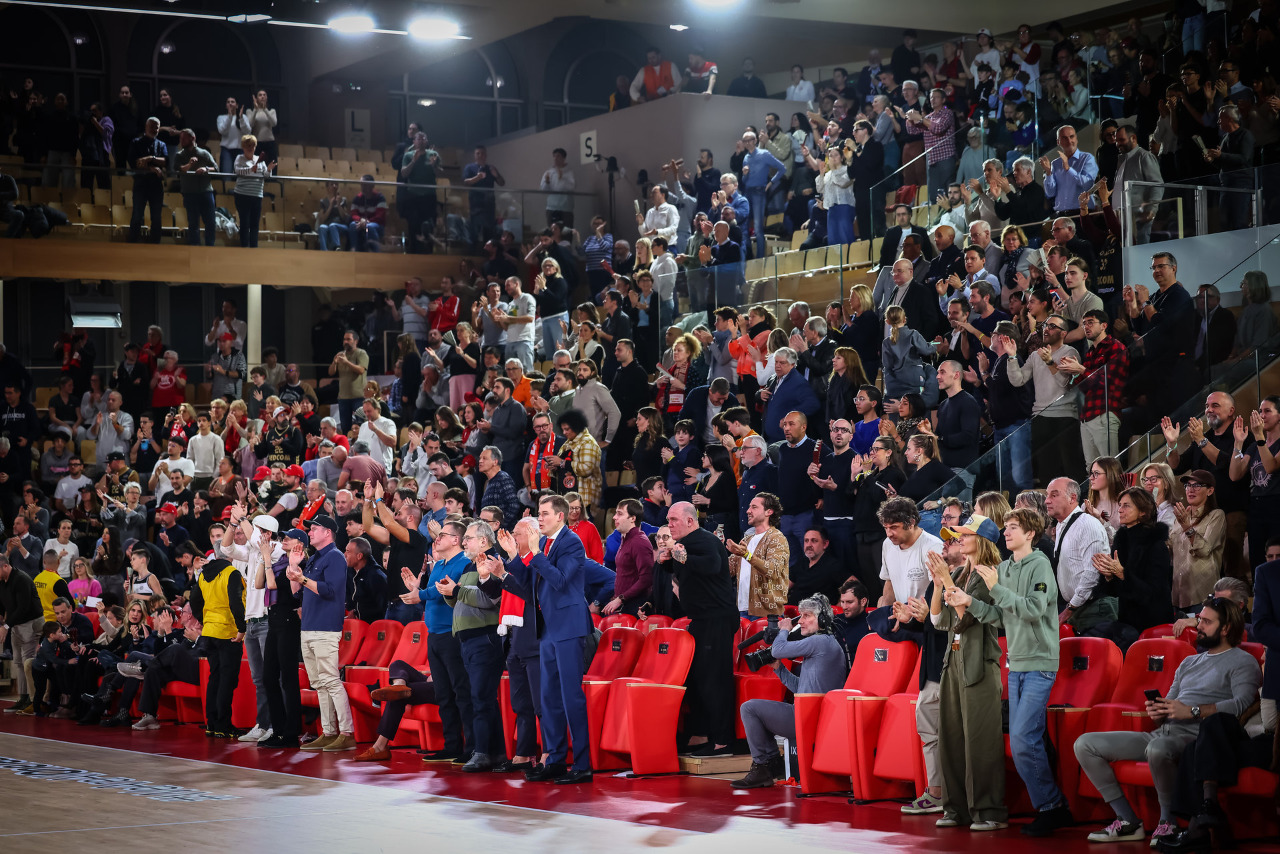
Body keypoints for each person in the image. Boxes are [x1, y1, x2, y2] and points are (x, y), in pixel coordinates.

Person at [1074, 596, 1260, 845]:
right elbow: (1171, 701)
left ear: (1226, 628)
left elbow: (1240, 705)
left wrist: (1192, 711)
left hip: (1198, 738)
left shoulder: (1243, 661)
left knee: (1158, 748)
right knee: (1085, 744)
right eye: (1200, 620)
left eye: (1207, 622)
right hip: (1163, 732)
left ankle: (1167, 823)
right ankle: (1127, 820)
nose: (1199, 626)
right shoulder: (1189, 661)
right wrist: (1159, 711)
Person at [958, 508, 1074, 836]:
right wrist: (969, 601)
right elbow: (1001, 617)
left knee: (1023, 738)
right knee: (1025, 738)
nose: (1006, 533)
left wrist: (995, 588)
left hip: (1040, 663)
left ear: (1030, 533)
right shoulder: (1005, 568)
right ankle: (1052, 806)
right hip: (1016, 664)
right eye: (1006, 527)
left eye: (1013, 527)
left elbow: (1034, 609)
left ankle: (1052, 806)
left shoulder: (1040, 565)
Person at [490, 495, 593, 783]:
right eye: (539, 513)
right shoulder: (545, 544)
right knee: (548, 698)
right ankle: (555, 760)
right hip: (546, 629)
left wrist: (535, 552)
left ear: (560, 516)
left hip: (568, 627)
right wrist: (513, 558)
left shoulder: (571, 542)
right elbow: (528, 584)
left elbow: (559, 580)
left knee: (571, 696)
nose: (540, 518)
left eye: (545, 513)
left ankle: (582, 765)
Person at [929, 515, 1008, 831]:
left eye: (964, 534)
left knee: (980, 741)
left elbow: (965, 619)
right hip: (953, 660)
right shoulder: (960, 574)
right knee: (950, 738)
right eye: (957, 535)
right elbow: (939, 621)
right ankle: (955, 809)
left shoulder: (991, 574)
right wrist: (939, 584)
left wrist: (946, 581)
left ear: (982, 540)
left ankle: (989, 811)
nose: (958, 539)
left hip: (979, 663)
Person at [731, 594, 850, 788]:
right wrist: (780, 669)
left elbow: (778, 650)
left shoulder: (820, 642)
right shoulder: (825, 644)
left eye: (807, 616)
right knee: (752, 708)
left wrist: (784, 630)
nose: (800, 621)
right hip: (810, 712)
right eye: (800, 616)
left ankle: (765, 765)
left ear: (822, 620)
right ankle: (770, 764)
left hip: (810, 716)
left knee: (749, 708)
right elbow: (800, 689)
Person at [660, 502, 737, 757]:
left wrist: (680, 556)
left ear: (690, 521)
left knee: (715, 681)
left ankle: (723, 741)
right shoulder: (686, 543)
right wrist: (667, 561)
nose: (669, 524)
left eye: (673, 520)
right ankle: (701, 735)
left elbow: (711, 565)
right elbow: (685, 569)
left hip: (716, 619)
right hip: (701, 620)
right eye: (668, 520)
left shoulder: (705, 540)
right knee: (698, 679)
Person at [288, 515, 356, 752]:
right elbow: (297, 593)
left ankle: (346, 733)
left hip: (325, 627)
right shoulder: (315, 558)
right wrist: (294, 568)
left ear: (328, 532)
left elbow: (330, 591)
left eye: (314, 529)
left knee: (330, 681)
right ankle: (328, 732)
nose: (310, 532)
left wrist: (302, 577)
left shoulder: (335, 557)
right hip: (308, 626)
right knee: (319, 683)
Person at [188, 556, 245, 739]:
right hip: (228, 632)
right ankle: (223, 725)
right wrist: (242, 628)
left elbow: (194, 600)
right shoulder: (231, 573)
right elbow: (236, 602)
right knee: (227, 681)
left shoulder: (204, 575)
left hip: (209, 632)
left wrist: (205, 619)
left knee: (215, 678)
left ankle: (211, 724)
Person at [0, 552, 44, 714]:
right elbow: (1, 603)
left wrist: (6, 626)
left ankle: (33, 700)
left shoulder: (21, 579)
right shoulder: (2, 581)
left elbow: (23, 608)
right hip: (16, 625)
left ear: (5, 566)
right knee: (18, 662)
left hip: (30, 623)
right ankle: (23, 698)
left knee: (27, 662)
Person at [174, 129, 218, 246]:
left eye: (184, 138)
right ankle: (194, 248)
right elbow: (178, 169)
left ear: (192, 138)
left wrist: (206, 169)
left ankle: (210, 247)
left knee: (210, 222)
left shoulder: (204, 153)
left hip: (206, 192)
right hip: (189, 193)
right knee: (193, 223)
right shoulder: (179, 155)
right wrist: (190, 164)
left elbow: (216, 168)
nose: (181, 141)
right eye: (180, 138)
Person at [126, 117, 167, 243]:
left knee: (156, 217)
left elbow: (165, 161)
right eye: (152, 126)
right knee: (137, 215)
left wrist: (149, 158)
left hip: (156, 185)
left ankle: (155, 244)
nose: (154, 129)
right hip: (141, 184)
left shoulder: (161, 144)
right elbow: (134, 163)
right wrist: (152, 168)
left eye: (157, 127)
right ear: (146, 126)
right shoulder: (136, 142)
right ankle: (133, 243)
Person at [232, 133, 272, 248]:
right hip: (242, 195)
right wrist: (250, 169)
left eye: (252, 145)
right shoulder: (239, 158)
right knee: (244, 224)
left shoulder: (260, 160)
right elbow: (237, 171)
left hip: (257, 195)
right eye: (248, 145)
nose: (250, 148)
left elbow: (266, 176)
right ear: (243, 147)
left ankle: (254, 248)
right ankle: (244, 248)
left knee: (255, 225)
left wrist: (269, 170)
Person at [348, 175, 388, 252]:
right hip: (362, 223)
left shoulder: (380, 198)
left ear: (372, 185)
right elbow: (353, 214)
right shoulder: (357, 198)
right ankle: (354, 250)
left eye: (365, 185)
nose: (362, 188)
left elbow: (380, 217)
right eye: (361, 185)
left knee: (369, 227)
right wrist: (361, 220)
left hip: (377, 224)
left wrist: (366, 222)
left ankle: (375, 252)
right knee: (353, 225)